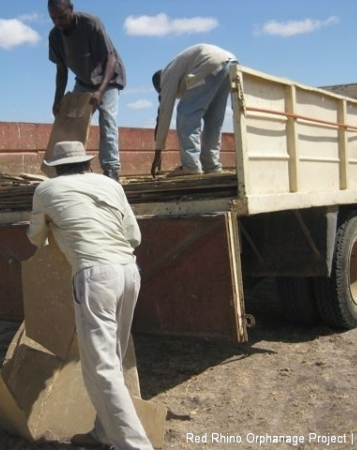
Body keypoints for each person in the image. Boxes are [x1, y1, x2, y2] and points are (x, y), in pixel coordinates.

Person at [27, 141, 152, 449]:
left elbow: (34, 237)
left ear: (56, 167)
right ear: (87, 163)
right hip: (128, 271)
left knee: (102, 368)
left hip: (95, 277)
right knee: (114, 360)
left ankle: (135, 446)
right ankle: (103, 433)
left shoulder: (46, 191)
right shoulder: (110, 185)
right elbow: (134, 236)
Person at [48, 0, 126, 182]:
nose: (58, 22)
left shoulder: (91, 23)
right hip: (84, 80)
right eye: (53, 19)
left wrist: (100, 91)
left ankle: (111, 170)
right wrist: (57, 99)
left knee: (107, 119)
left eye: (62, 17)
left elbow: (111, 58)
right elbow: (61, 70)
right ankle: (70, 167)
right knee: (71, 119)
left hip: (109, 78)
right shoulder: (55, 37)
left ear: (71, 9)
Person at [151, 44, 237, 178]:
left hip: (209, 62)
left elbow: (164, 114)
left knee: (186, 114)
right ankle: (211, 165)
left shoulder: (166, 77)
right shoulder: (181, 71)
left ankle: (190, 166)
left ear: (160, 85)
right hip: (229, 63)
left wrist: (157, 152)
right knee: (214, 119)